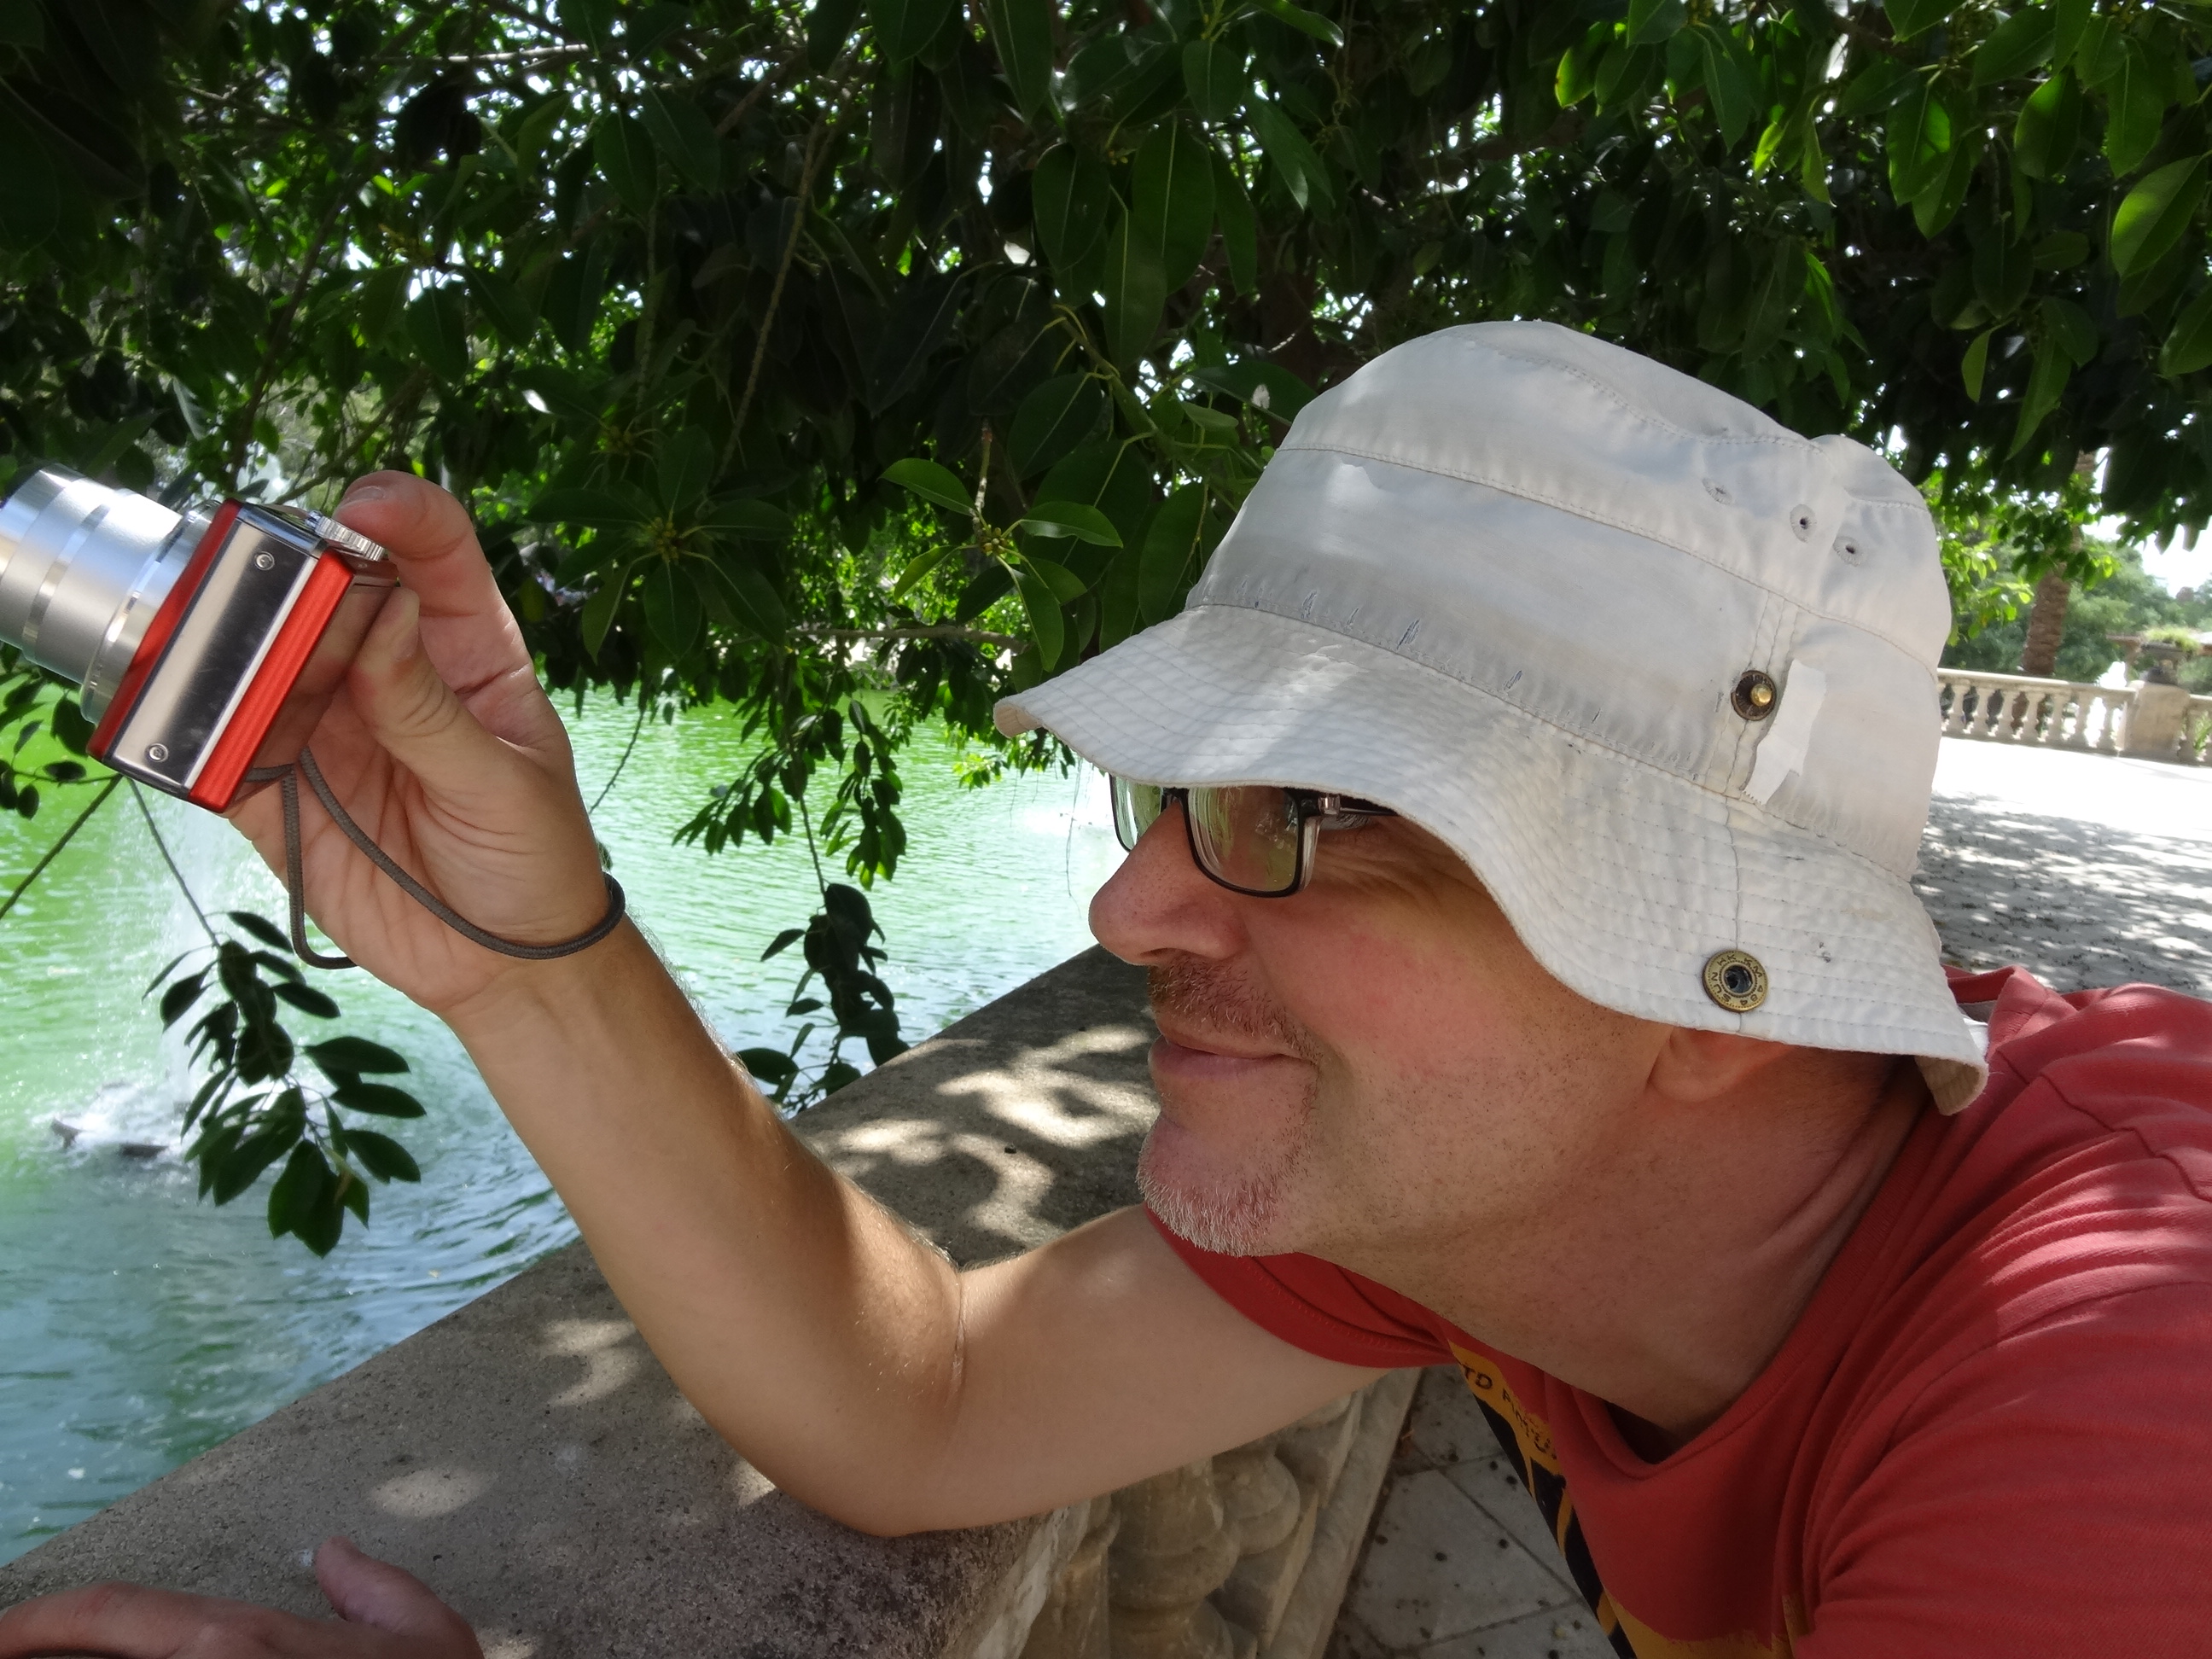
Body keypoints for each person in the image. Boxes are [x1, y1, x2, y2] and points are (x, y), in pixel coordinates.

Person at [3, 323, 2207, 1659]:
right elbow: (923, 1406)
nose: (1136, 909)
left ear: (1711, 1000)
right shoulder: (1511, 1205)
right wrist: (526, 949)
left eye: (1321, 815)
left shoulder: (2124, 1421)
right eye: (1184, 797)